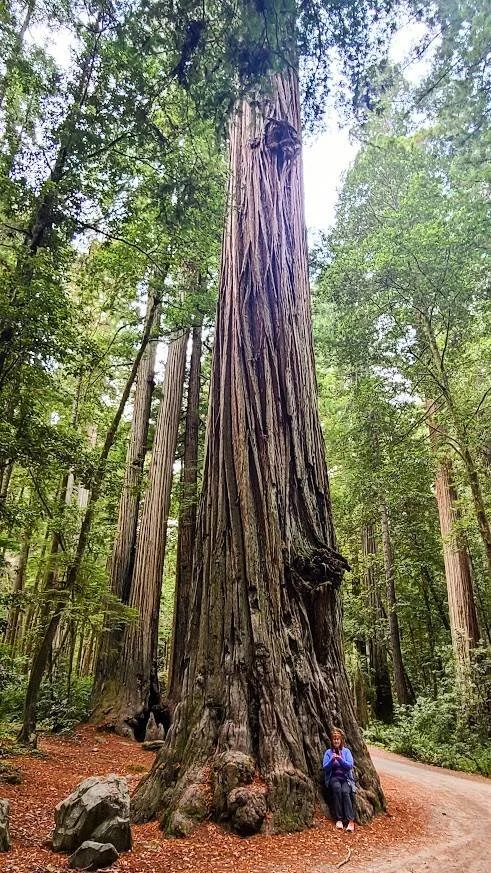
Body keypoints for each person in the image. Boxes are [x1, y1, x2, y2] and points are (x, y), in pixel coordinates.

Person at [323, 727, 356, 831]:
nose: (336, 741)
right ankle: (339, 819)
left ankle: (350, 821)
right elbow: (325, 768)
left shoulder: (346, 752)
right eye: (334, 739)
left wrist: (340, 759)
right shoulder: (328, 752)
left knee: (345, 792)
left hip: (346, 779)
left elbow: (349, 766)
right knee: (337, 789)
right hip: (334, 778)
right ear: (332, 741)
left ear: (341, 740)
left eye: (338, 739)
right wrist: (332, 760)